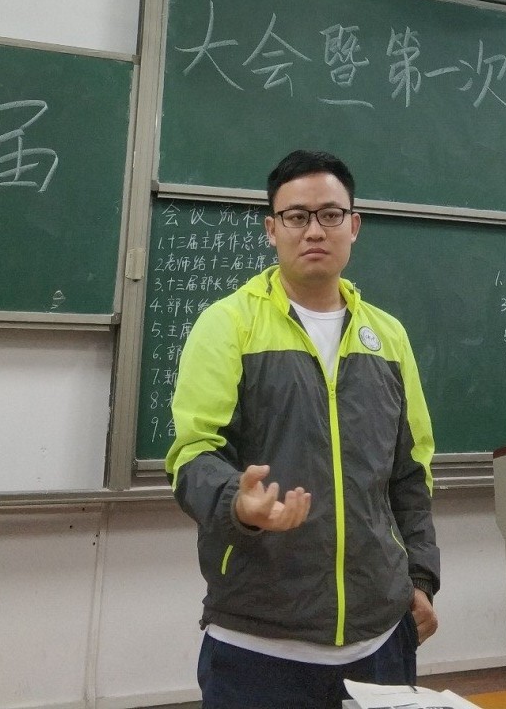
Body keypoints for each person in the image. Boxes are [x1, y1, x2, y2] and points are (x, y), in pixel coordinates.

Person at [167, 148, 440, 709]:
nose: (314, 230)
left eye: (330, 214)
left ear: (354, 226)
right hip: (258, 642)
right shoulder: (228, 324)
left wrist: (420, 579)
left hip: (381, 639)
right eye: (296, 216)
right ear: (272, 229)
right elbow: (192, 455)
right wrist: (237, 503)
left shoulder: (389, 337)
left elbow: (411, 475)